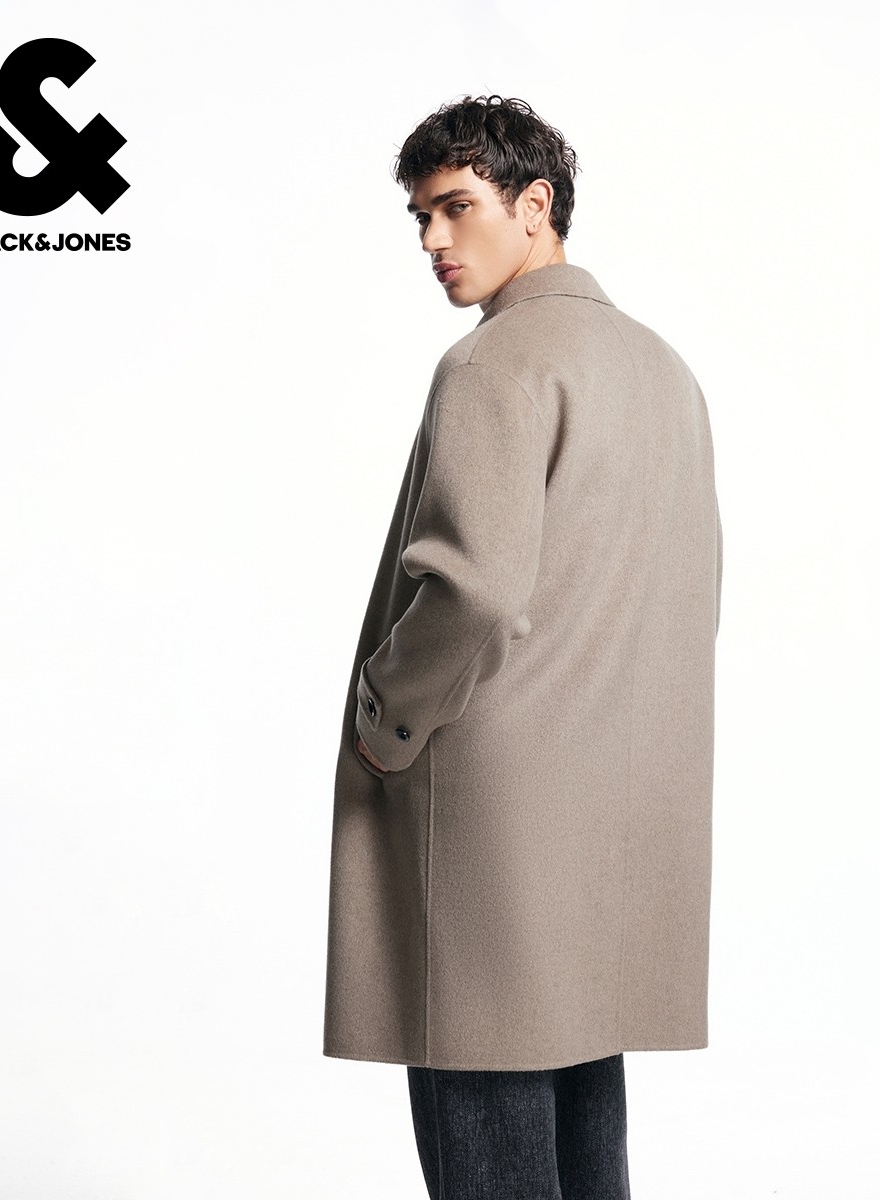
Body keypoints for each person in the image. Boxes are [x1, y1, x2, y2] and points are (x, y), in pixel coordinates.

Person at [323, 94, 722, 1199]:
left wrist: (384, 720)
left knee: (487, 1134)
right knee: (586, 1140)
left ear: (535, 205)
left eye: (456, 207)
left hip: (488, 821)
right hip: (616, 819)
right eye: (420, 217)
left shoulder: (495, 363)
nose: (432, 240)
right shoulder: (663, 371)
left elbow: (476, 589)